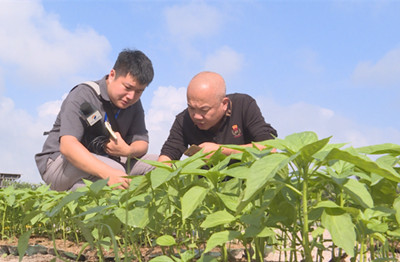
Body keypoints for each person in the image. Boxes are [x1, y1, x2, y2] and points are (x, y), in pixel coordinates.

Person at [35, 49, 156, 191]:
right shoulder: (84, 95)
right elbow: (68, 146)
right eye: (127, 87)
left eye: (139, 91)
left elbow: (142, 143)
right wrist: (108, 173)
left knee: (159, 165)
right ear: (112, 75)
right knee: (115, 173)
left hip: (108, 161)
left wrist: (127, 150)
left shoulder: (133, 104)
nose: (131, 96)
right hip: (58, 163)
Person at [158, 71, 277, 163]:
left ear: (224, 104)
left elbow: (269, 148)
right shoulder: (183, 120)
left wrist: (221, 151)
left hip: (248, 182)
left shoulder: (244, 105)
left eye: (204, 110)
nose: (196, 116)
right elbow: (169, 153)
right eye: (191, 108)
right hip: (207, 187)